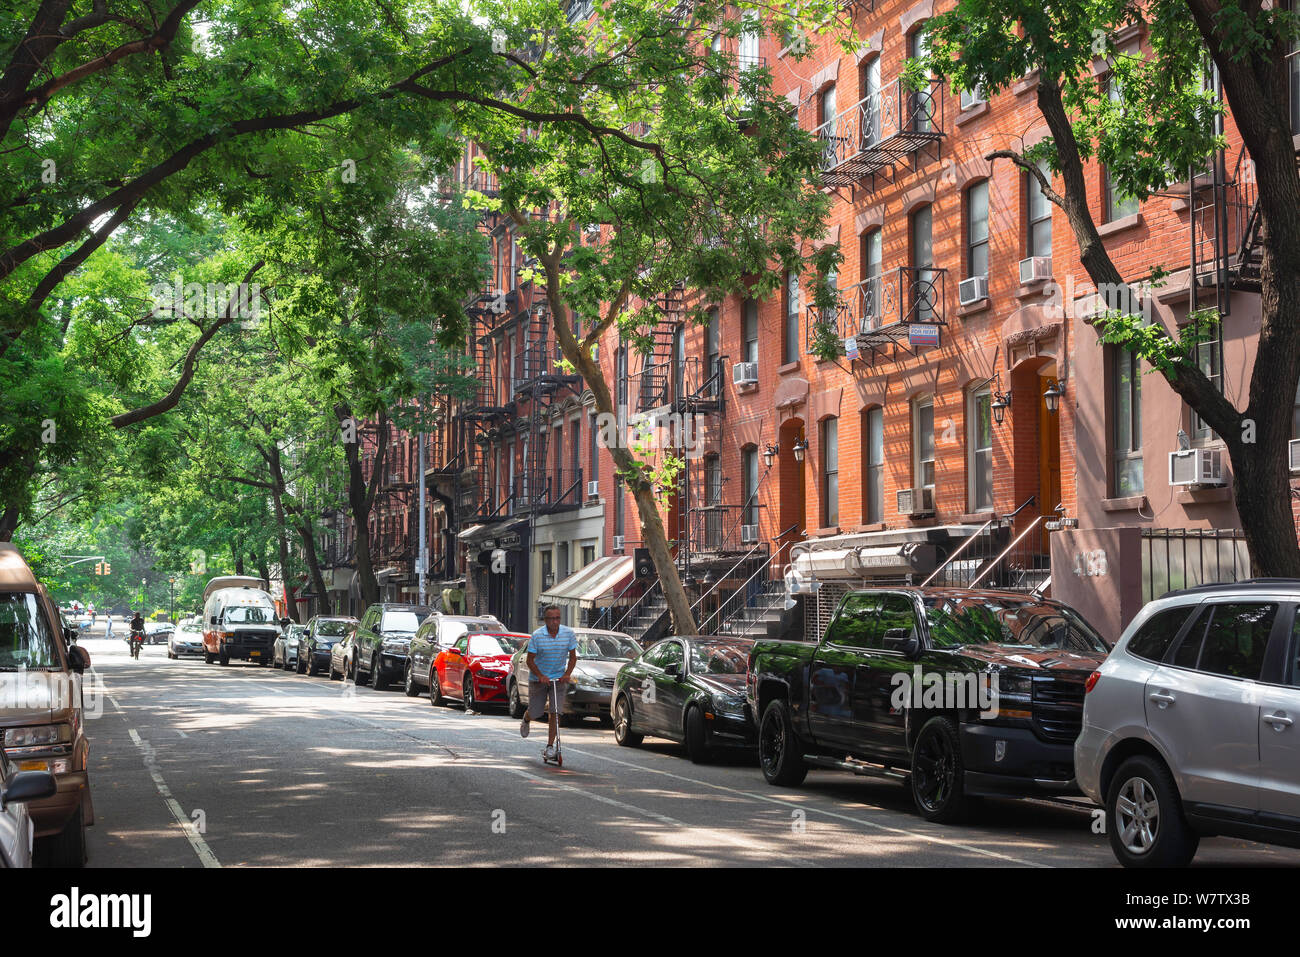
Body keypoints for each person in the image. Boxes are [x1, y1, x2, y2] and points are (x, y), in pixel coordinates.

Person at [521, 605, 576, 762]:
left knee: (555, 711)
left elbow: (573, 657)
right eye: (551, 618)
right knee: (536, 711)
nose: (555, 621)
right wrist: (540, 675)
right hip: (539, 679)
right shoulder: (537, 636)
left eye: (557, 618)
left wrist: (567, 674)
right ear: (545, 620)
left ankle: (550, 746)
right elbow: (530, 660)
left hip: (558, 679)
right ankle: (526, 718)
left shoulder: (568, 634)